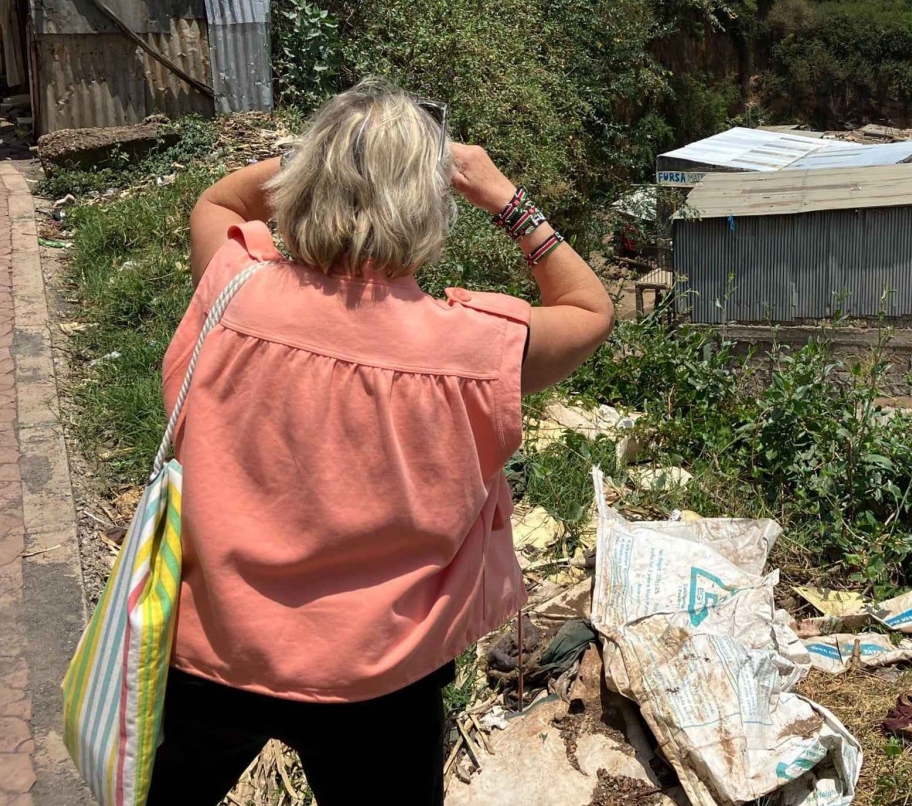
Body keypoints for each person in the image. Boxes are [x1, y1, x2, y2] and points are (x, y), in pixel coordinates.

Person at [145, 80, 614, 804]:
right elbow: (589, 306)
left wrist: (326, 156)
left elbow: (218, 201)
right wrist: (505, 197)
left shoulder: (233, 290)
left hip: (214, 652)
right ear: (432, 204)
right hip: (382, 680)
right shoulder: (477, 347)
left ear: (305, 179)